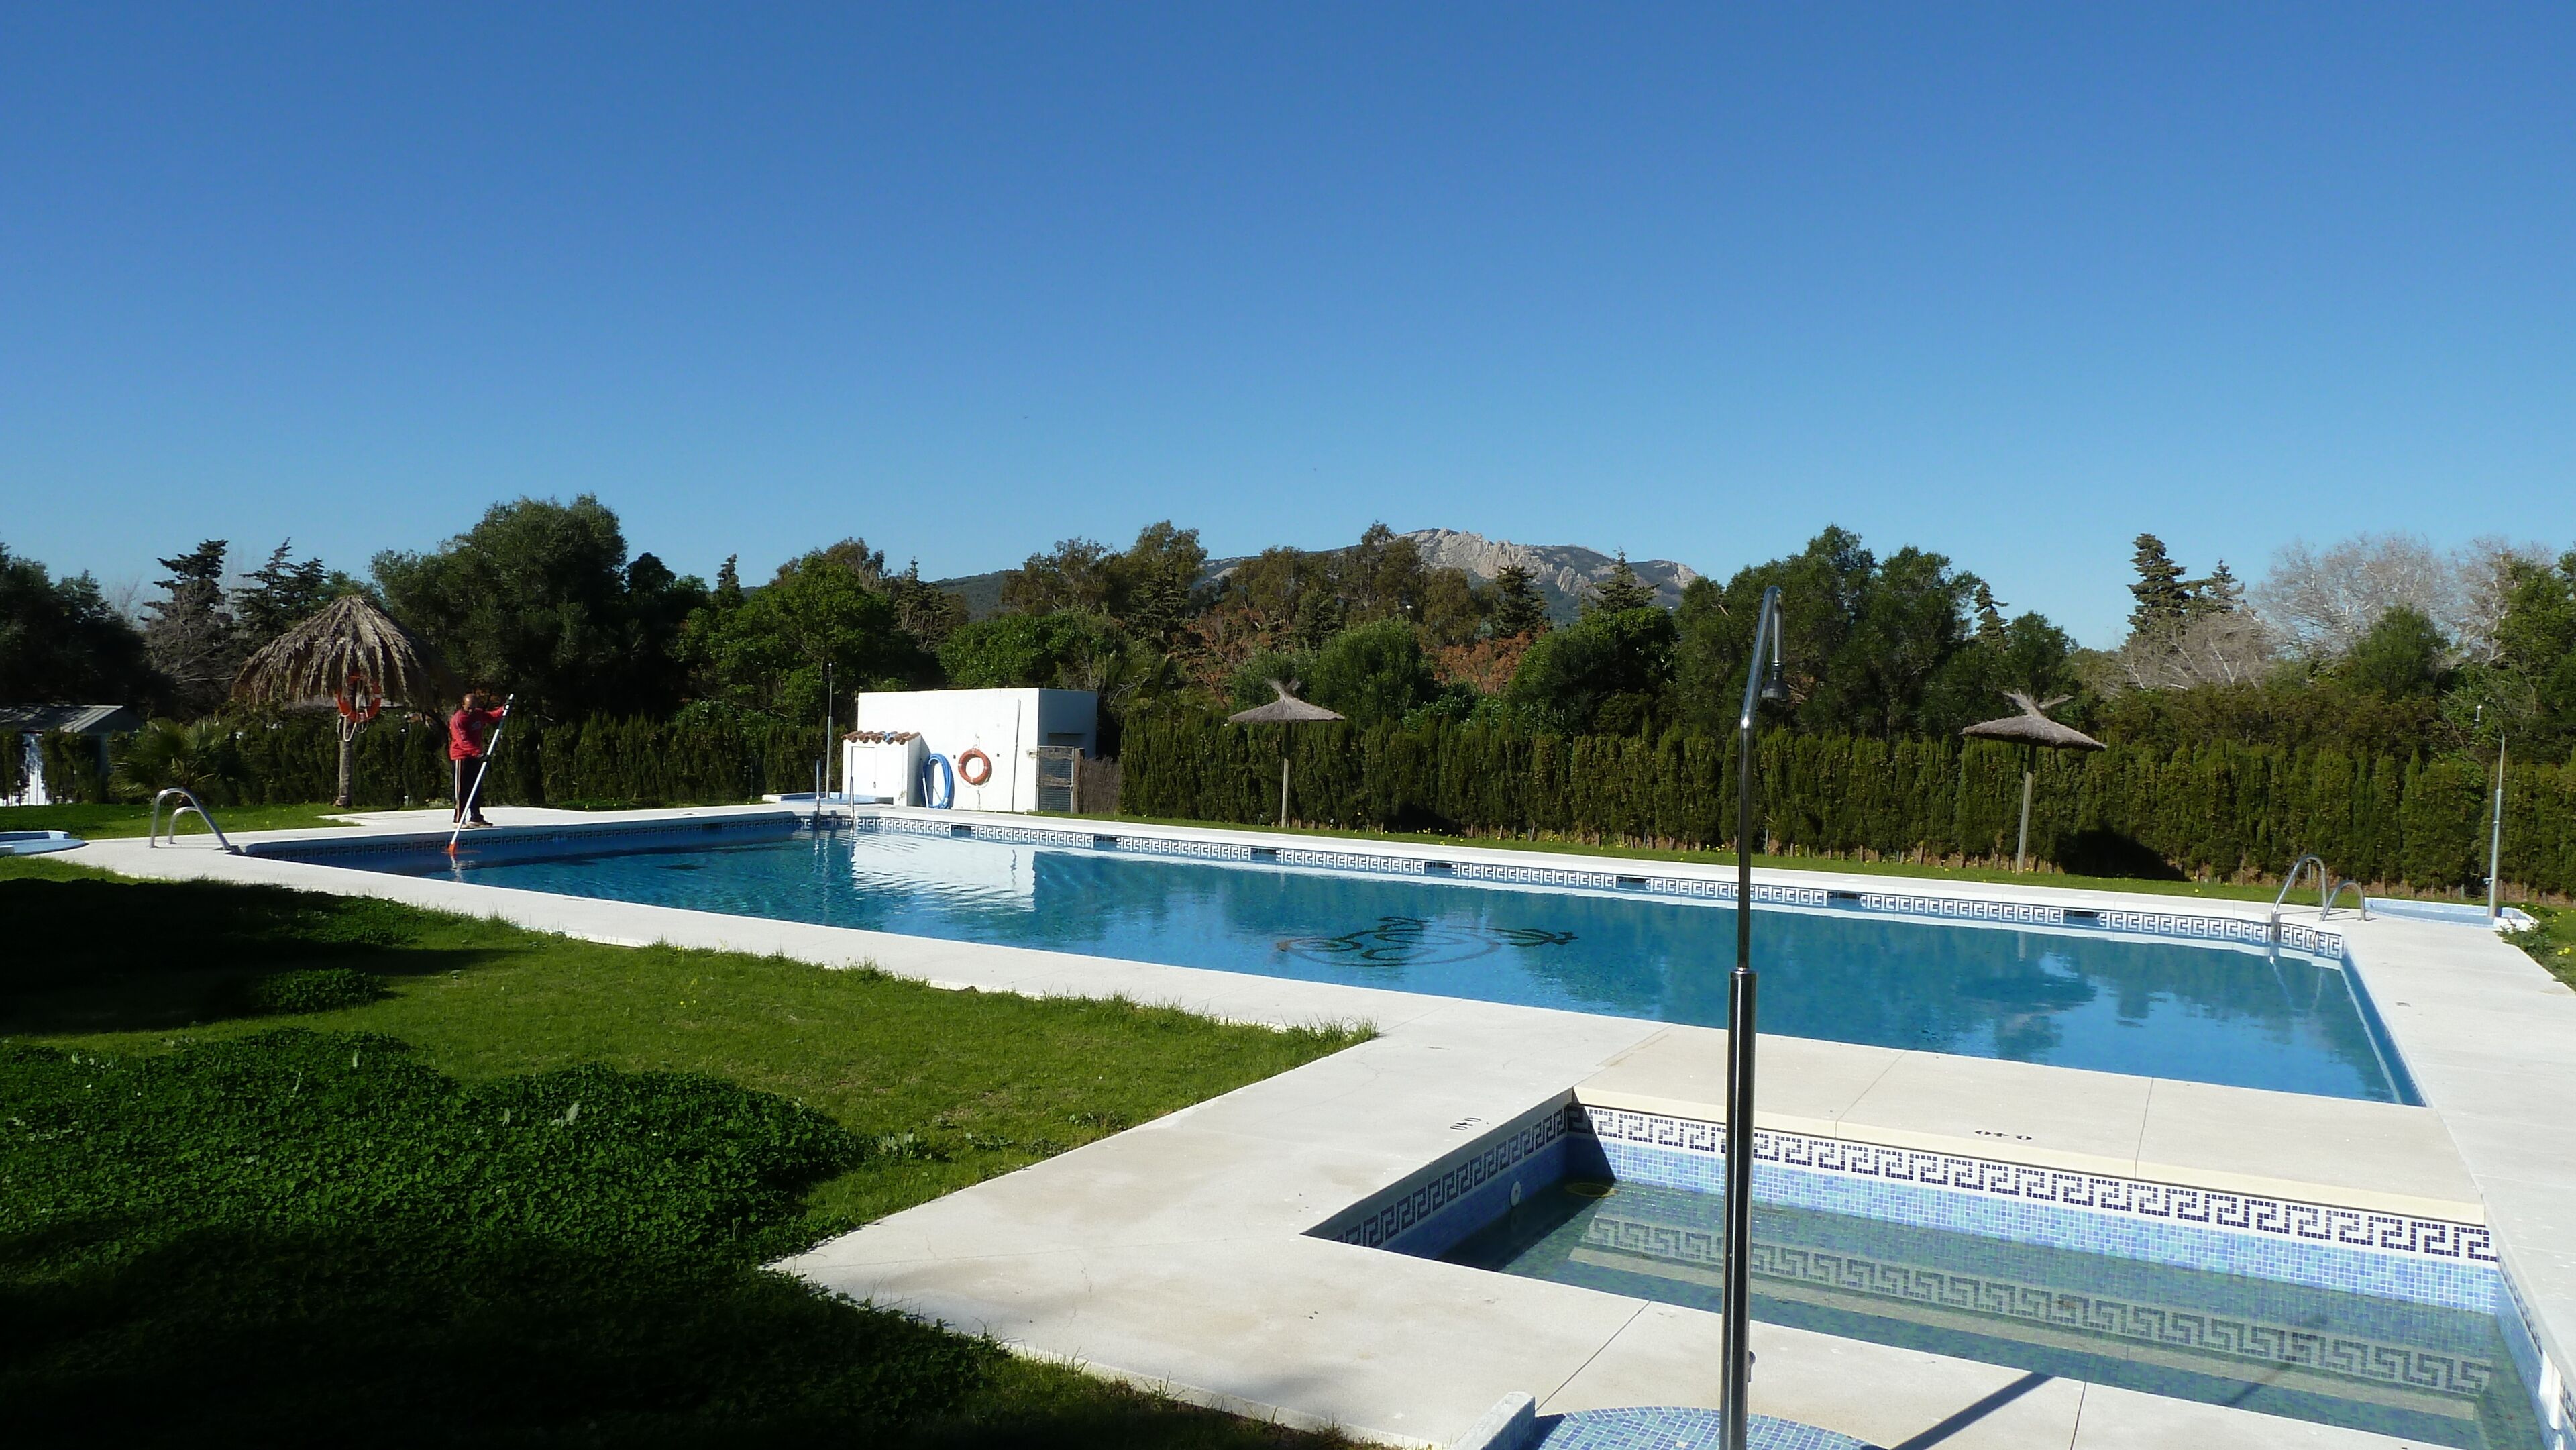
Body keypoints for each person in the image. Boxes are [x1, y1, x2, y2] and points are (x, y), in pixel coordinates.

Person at [448, 692, 508, 827]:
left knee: (476, 787)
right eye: (469, 707)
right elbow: (463, 741)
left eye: (473, 707)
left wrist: (503, 709)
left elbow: (491, 717)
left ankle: (476, 817)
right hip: (461, 757)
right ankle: (458, 819)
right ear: (463, 705)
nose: (471, 711)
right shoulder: (458, 720)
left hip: (474, 756)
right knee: (461, 789)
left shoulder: (478, 713)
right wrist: (479, 754)